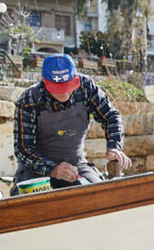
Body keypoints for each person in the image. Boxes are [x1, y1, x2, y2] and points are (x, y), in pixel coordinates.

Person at [13, 53, 131, 191]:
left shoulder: (86, 87)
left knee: (100, 194)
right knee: (30, 205)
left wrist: (114, 146)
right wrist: (53, 169)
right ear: (44, 81)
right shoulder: (29, 100)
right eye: (57, 89)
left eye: (67, 87)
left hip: (76, 165)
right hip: (35, 170)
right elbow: (23, 149)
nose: (64, 94)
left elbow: (111, 116)